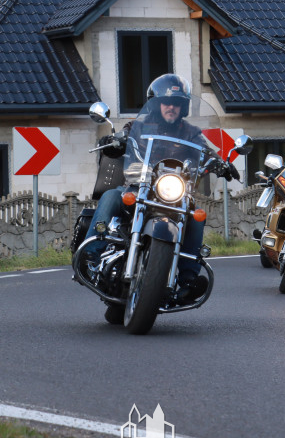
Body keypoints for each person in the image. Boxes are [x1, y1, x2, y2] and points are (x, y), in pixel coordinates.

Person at [81, 74, 224, 303]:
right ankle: (91, 255)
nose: (171, 107)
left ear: (183, 107)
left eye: (177, 103)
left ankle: (187, 278)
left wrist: (220, 163)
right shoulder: (138, 125)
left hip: (173, 194)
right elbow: (124, 135)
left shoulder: (191, 133)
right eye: (167, 102)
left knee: (196, 216)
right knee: (111, 196)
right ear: (156, 104)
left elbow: (206, 151)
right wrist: (117, 139)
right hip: (139, 186)